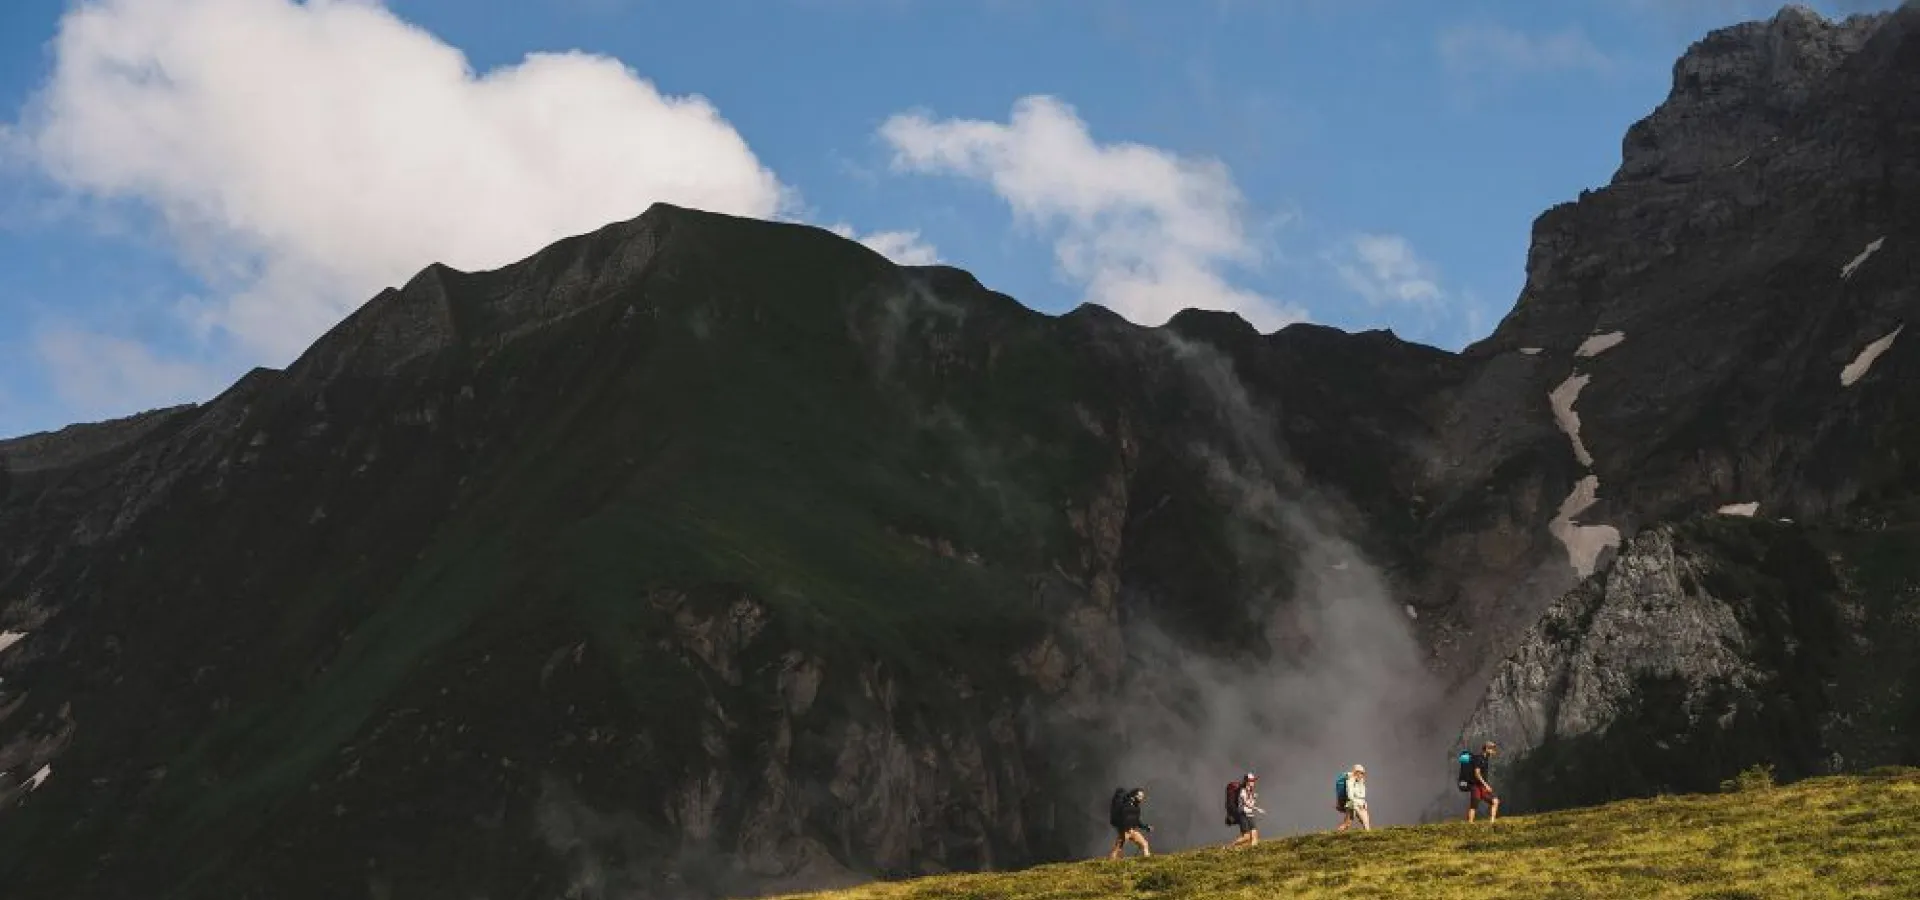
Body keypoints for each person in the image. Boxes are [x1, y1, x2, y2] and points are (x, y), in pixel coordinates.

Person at [1107, 788, 1152, 859]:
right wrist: (1122, 831)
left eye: (1142, 797)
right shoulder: (1125, 806)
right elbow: (1121, 820)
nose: (1141, 799)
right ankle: (1111, 861)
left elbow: (1137, 821)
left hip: (1133, 831)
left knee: (1144, 844)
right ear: (1133, 796)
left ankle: (1147, 859)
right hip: (1125, 832)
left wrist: (1146, 827)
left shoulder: (1137, 808)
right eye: (1139, 796)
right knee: (1118, 849)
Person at [1462, 741, 1500, 822]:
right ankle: (1470, 825)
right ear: (1486, 749)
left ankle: (1492, 823)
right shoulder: (1478, 758)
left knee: (1495, 801)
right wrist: (1486, 785)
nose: (1493, 751)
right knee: (1474, 806)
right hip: (1475, 785)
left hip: (1481, 786)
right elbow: (1477, 774)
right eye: (1492, 749)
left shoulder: (1485, 759)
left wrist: (1484, 785)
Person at [1227, 772, 1265, 849]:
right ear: (1247, 782)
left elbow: (1250, 803)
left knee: (1255, 835)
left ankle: (1253, 851)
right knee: (1247, 837)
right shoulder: (1243, 791)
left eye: (1253, 781)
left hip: (1250, 814)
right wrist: (1258, 809)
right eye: (1251, 781)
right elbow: (1245, 803)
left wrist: (1253, 798)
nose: (1253, 782)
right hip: (1243, 815)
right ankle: (1230, 846)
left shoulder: (1251, 791)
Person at [1336, 764, 1371, 832]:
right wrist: (1354, 805)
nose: (1361, 775)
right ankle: (1337, 834)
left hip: (1361, 805)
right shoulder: (1350, 780)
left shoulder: (1361, 782)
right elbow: (1350, 794)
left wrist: (1364, 803)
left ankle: (1368, 839)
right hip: (1352, 805)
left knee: (1367, 825)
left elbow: (1362, 795)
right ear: (1355, 772)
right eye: (1359, 772)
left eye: (1362, 773)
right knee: (1347, 824)